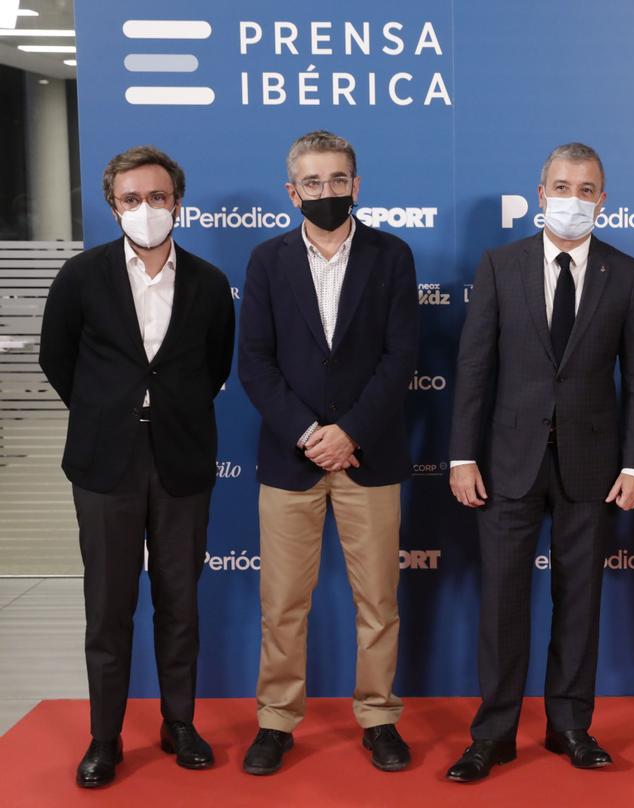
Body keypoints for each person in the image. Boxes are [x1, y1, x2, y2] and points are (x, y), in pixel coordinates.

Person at [445, 142, 634, 782]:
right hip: (507, 460)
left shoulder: (625, 273)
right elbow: (474, 368)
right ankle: (494, 734)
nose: (573, 199)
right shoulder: (500, 265)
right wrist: (461, 455)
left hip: (592, 463)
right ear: (540, 196)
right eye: (561, 187)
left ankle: (570, 726)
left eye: (586, 189)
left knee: (581, 598)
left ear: (603, 200)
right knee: (503, 603)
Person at [39, 146, 235, 787]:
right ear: (112, 206)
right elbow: (57, 358)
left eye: (156, 197)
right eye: (131, 199)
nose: (145, 209)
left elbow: (215, 366)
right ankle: (105, 738)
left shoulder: (208, 281)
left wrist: (165, 412)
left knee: (180, 603)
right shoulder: (80, 276)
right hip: (104, 463)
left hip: (181, 459)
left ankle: (179, 724)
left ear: (176, 200)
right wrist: (109, 412)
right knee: (108, 606)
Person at [237, 131, 419, 775]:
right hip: (291, 460)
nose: (326, 192)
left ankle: (378, 716)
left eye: (337, 180)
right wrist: (309, 433)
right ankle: (277, 720)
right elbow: (254, 363)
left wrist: (350, 433)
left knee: (379, 603)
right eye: (312, 183)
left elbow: (401, 358)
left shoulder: (392, 256)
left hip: (369, 457)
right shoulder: (266, 261)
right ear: (293, 192)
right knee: (283, 602)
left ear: (356, 185)